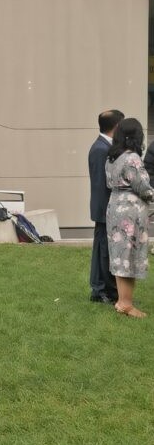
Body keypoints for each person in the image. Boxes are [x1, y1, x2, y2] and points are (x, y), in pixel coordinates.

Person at [105, 118, 154, 318]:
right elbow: (142, 187)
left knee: (120, 256)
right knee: (129, 257)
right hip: (130, 213)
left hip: (115, 206)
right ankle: (126, 304)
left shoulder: (111, 157)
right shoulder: (132, 158)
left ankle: (121, 301)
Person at [88, 109, 124, 304]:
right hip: (104, 210)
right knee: (102, 251)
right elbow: (101, 185)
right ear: (117, 126)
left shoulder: (103, 146)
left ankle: (102, 289)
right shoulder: (101, 149)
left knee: (102, 250)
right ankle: (100, 290)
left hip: (105, 209)